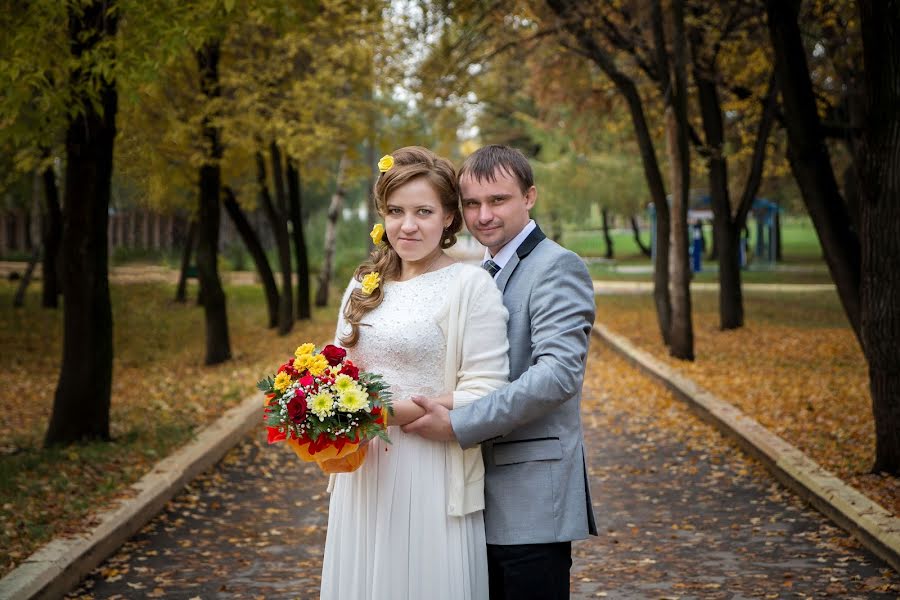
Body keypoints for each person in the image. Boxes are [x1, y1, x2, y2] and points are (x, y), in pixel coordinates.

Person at [403, 144, 597, 599]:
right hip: (468, 497)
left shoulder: (557, 266)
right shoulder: (475, 274)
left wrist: (458, 422)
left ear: (529, 197)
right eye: (472, 203)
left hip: (531, 497)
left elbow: (557, 375)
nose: (483, 215)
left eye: (498, 200)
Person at [320, 146, 510, 600]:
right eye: (396, 211)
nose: (408, 225)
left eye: (423, 211)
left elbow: (487, 386)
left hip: (429, 464)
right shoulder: (366, 282)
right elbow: (336, 366)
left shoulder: (470, 285)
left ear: (448, 217)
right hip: (363, 470)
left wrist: (390, 413)